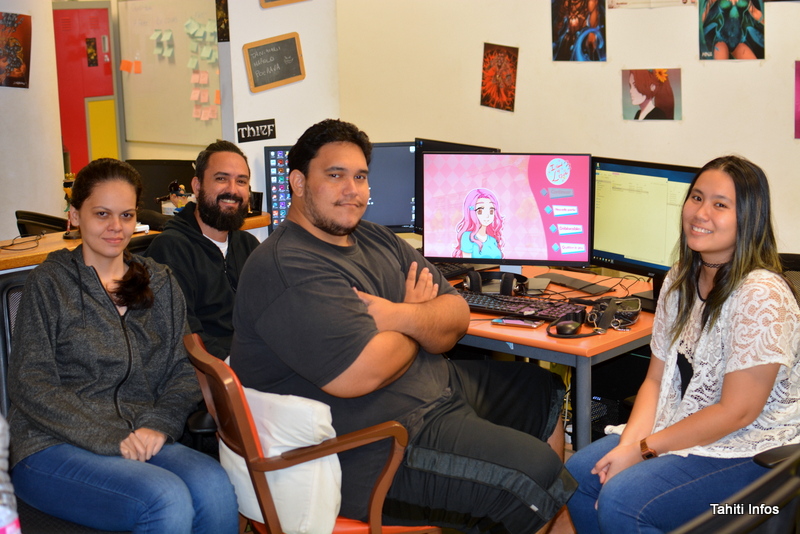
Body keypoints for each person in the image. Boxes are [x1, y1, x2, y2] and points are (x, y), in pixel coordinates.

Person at [230, 119, 576, 533]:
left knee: (542, 391)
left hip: (435, 392)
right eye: (335, 175)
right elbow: (363, 373)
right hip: (377, 445)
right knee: (536, 473)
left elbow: (456, 314)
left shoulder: (376, 238)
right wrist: (419, 318)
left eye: (360, 177)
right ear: (298, 183)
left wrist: (400, 315)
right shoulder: (288, 265)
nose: (352, 189)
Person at [565, 155, 800, 533]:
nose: (700, 213)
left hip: (754, 450)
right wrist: (628, 446)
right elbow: (656, 381)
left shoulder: (761, 294)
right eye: (697, 197)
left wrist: (644, 450)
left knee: (622, 500)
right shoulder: (680, 278)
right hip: (690, 424)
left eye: (720, 205)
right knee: (578, 475)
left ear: (748, 218)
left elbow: (737, 413)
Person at [8, 158, 239, 533]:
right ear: (75, 216)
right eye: (102, 214)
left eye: (126, 215)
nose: (116, 227)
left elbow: (183, 371)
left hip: (140, 434)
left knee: (215, 487)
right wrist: (110, 437)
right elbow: (30, 384)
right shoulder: (49, 284)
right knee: (165, 498)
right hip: (49, 444)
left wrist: (157, 426)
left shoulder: (159, 282)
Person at [145, 140, 260, 360]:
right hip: (214, 370)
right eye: (221, 179)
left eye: (241, 181)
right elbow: (184, 333)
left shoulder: (249, 246)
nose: (232, 190)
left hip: (259, 362)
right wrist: (229, 368)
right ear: (197, 186)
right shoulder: (172, 248)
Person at [453, 187, 504, 259]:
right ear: (471, 212)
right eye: (480, 211)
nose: (487, 215)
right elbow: (467, 263)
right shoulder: (467, 237)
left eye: (491, 211)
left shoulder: (493, 240)